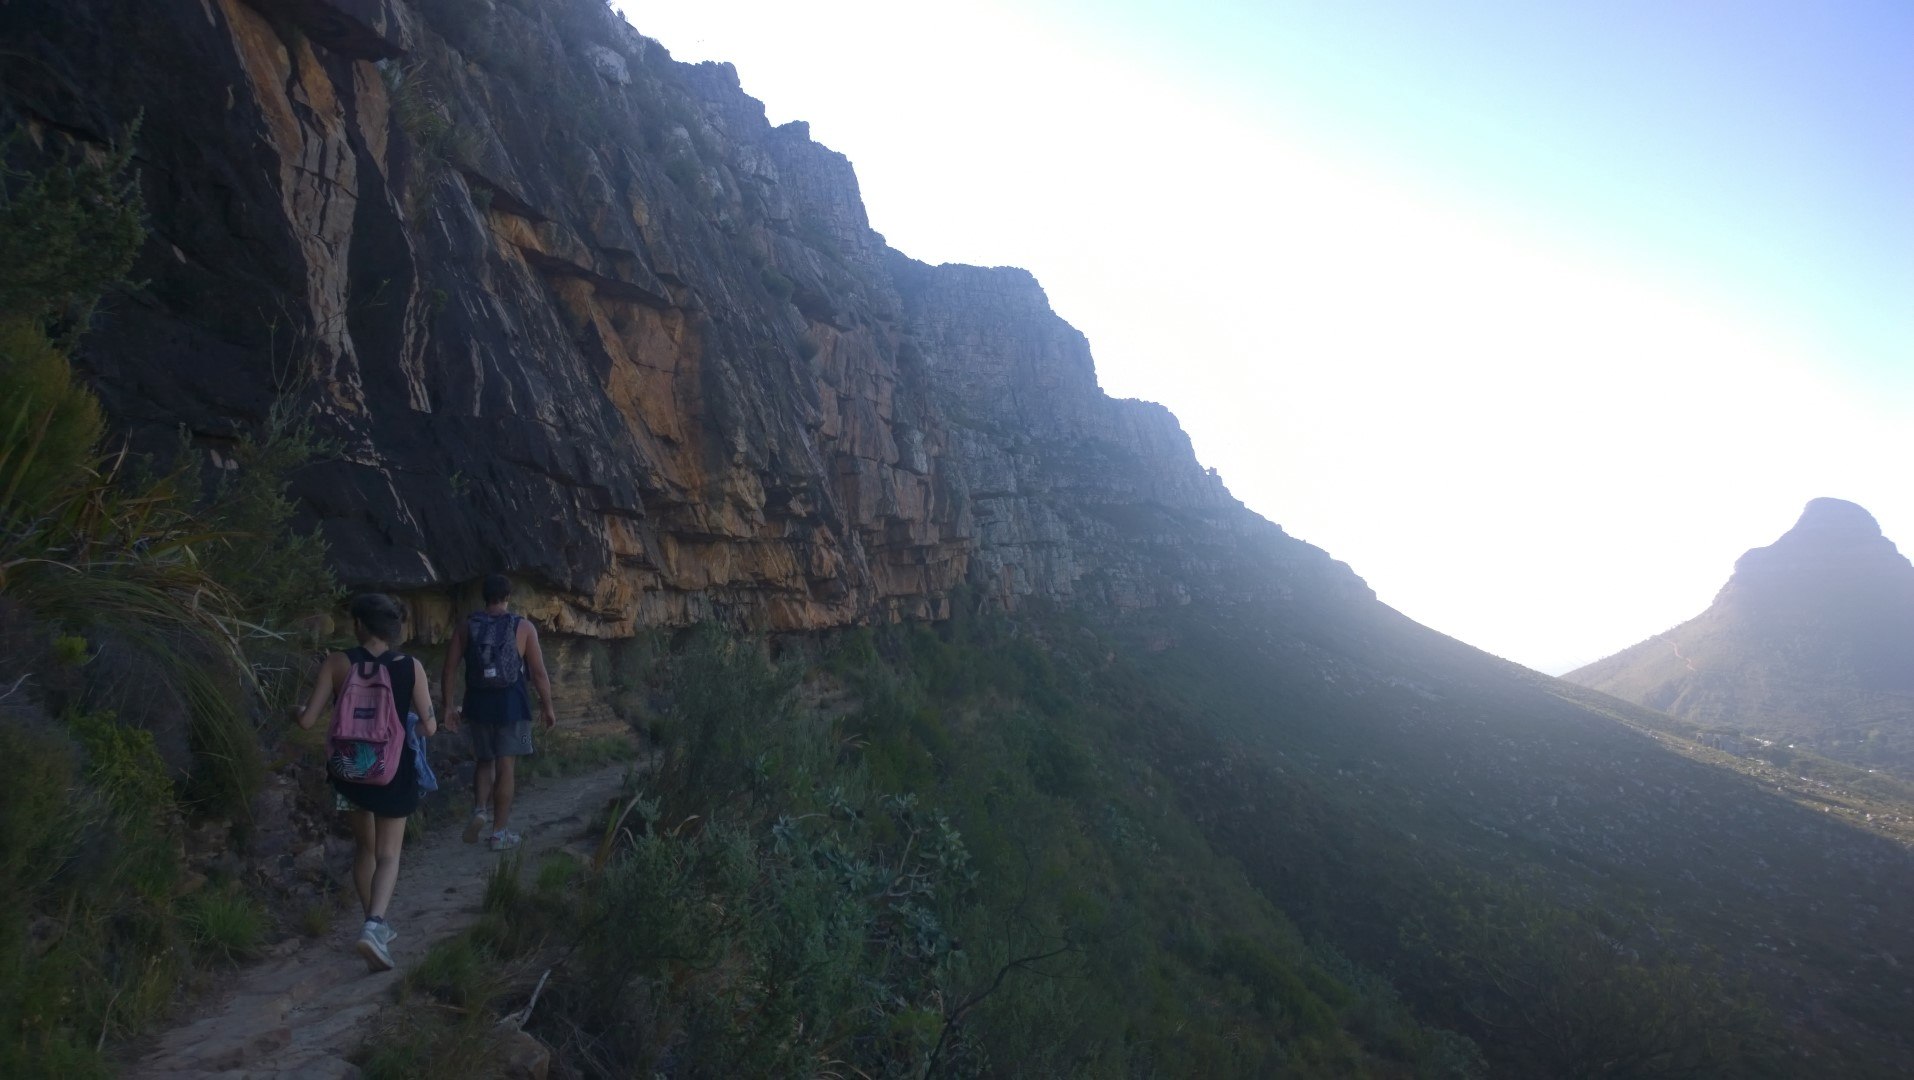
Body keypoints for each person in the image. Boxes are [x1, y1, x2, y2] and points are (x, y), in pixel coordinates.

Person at [291, 593, 436, 973]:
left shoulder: (337, 663)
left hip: (348, 773)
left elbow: (307, 721)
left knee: (364, 848)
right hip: (393, 773)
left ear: (359, 625)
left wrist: (296, 712)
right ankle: (374, 925)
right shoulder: (410, 667)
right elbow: (430, 725)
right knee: (389, 854)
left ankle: (374, 923)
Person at [442, 574, 556, 851]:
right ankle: (499, 833)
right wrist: (548, 706)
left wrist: (447, 706)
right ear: (508, 597)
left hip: (478, 703)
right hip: (512, 704)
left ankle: (480, 810)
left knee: (484, 761)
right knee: (506, 767)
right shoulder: (523, 627)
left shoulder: (466, 626)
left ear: (484, 597)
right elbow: (538, 673)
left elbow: (449, 668)